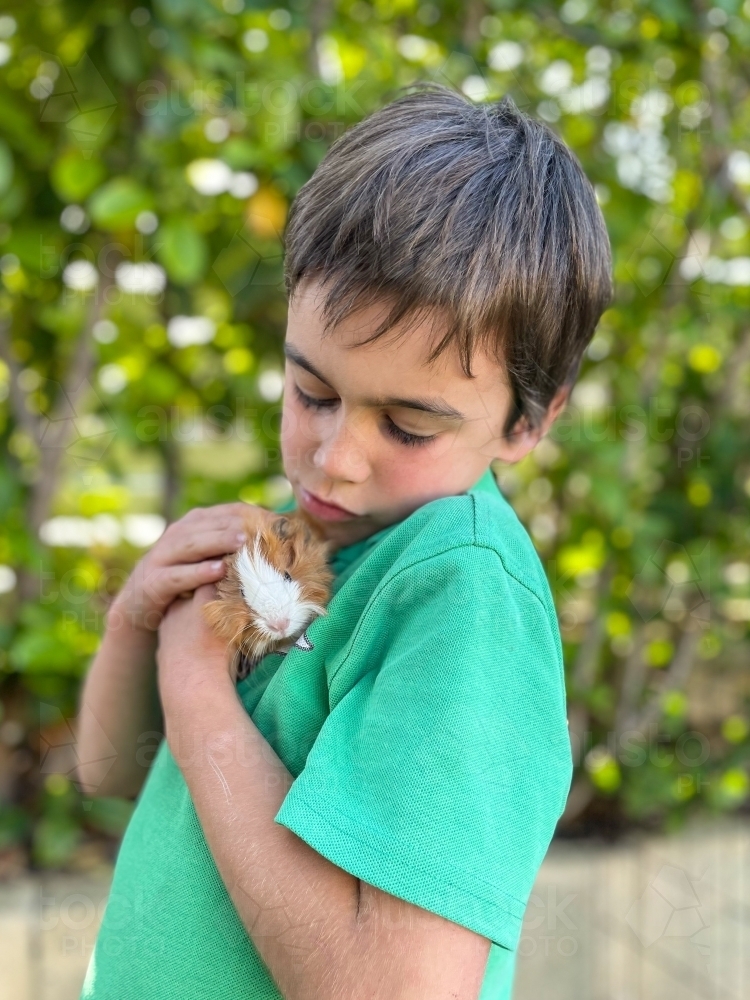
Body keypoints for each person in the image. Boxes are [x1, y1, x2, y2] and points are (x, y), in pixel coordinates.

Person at [75, 83, 612, 1000]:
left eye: (407, 427)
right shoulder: (307, 546)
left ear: (528, 422)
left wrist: (194, 673)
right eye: (311, 393)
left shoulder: (460, 591)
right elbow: (111, 770)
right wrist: (138, 618)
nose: (334, 460)